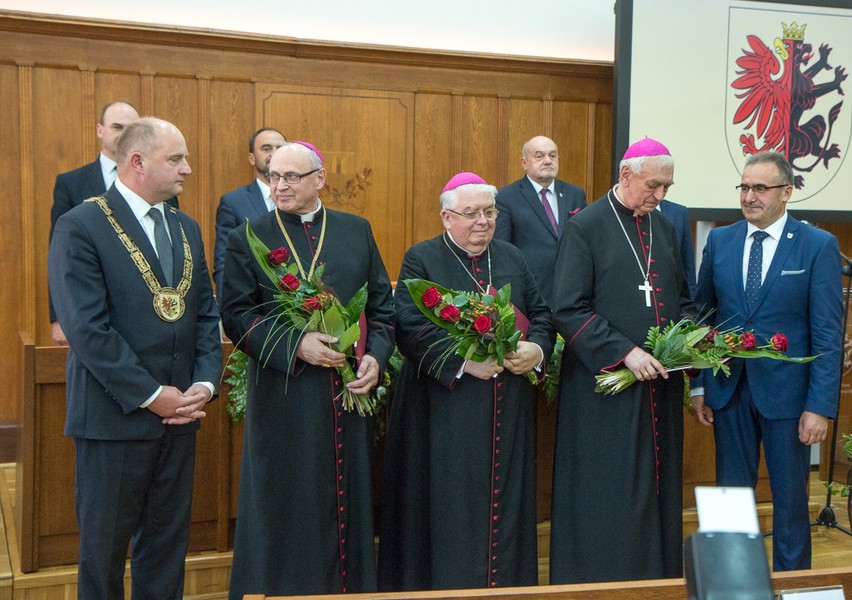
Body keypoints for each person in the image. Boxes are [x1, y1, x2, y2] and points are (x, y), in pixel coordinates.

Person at [47, 117, 222, 600]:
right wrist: (150, 395)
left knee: (166, 548)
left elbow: (205, 314)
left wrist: (203, 385)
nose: (188, 169)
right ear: (138, 162)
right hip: (114, 418)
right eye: (176, 159)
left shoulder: (184, 226)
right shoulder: (80, 225)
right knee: (103, 555)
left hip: (181, 414)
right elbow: (87, 328)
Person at [220, 142, 394, 597]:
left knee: (347, 500)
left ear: (319, 179)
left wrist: (375, 355)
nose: (280, 185)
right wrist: (296, 345)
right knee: (285, 500)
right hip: (283, 399)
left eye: (292, 177)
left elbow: (382, 308)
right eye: (274, 176)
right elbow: (236, 316)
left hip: (347, 393)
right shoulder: (249, 235)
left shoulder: (356, 230)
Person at [378, 172, 554, 591]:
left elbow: (543, 315)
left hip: (506, 409)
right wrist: (463, 363)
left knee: (505, 505)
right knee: (448, 508)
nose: (483, 222)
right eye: (471, 213)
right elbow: (408, 326)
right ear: (446, 217)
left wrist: (536, 351)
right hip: (442, 413)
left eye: (490, 212)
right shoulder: (422, 258)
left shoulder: (512, 256)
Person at [549, 138, 694, 583]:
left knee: (657, 489)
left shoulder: (665, 227)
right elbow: (567, 308)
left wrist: (689, 339)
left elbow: (682, 298)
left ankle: (658, 579)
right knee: (608, 492)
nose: (661, 196)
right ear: (626, 175)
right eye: (654, 185)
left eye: (667, 187)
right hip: (604, 392)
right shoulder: (585, 227)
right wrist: (624, 352)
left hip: (660, 386)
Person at [691, 150, 843, 571]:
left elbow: (829, 334)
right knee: (731, 498)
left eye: (760, 187)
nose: (749, 196)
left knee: (790, 500)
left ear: (787, 192)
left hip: (790, 401)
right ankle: (733, 583)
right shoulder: (721, 240)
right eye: (744, 187)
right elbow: (703, 318)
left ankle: (792, 582)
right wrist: (700, 384)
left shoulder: (817, 246)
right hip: (729, 392)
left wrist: (820, 406)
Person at [49, 101, 179, 345]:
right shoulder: (72, 183)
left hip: (146, 316)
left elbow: (166, 245)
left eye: (132, 128)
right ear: (101, 130)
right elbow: (59, 255)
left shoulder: (161, 186)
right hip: (91, 306)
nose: (125, 134)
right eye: (118, 127)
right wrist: (59, 317)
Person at [494, 135, 587, 304]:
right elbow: (502, 251)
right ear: (524, 163)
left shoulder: (575, 194)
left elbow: (585, 241)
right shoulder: (506, 197)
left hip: (571, 292)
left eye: (552, 156)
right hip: (531, 293)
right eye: (539, 156)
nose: (547, 161)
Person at [212, 127, 287, 294]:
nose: (274, 154)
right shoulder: (233, 203)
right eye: (266, 148)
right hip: (251, 301)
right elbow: (224, 263)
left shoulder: (298, 200)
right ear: (251, 158)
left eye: (280, 148)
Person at [659, 198, 697, 298]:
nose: (659, 195)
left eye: (665, 187)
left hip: (670, 300)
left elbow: (687, 266)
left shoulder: (678, 213)